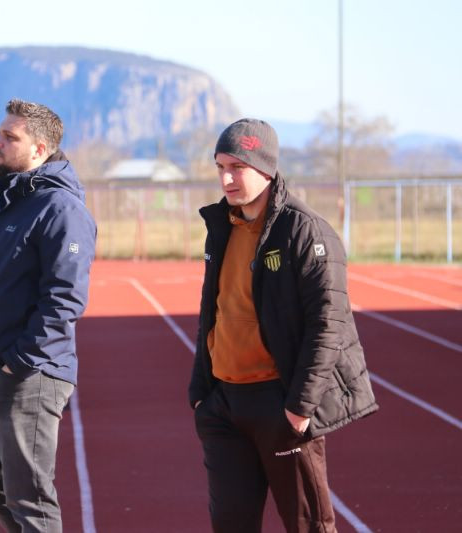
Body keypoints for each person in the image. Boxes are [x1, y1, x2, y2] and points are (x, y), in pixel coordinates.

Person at [189, 119, 379, 532]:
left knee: (309, 526)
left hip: (279, 403)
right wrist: (201, 394)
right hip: (224, 406)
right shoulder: (221, 227)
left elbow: (328, 324)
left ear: (266, 168)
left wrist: (299, 407)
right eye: (220, 167)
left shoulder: (305, 230)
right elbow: (213, 311)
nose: (226, 178)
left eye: (237, 167)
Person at [0, 99, 96, 532]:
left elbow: (65, 299)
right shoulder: (6, 202)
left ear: (40, 149)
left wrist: (21, 360)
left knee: (29, 498)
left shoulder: (61, 209)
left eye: (9, 137)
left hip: (28, 373)